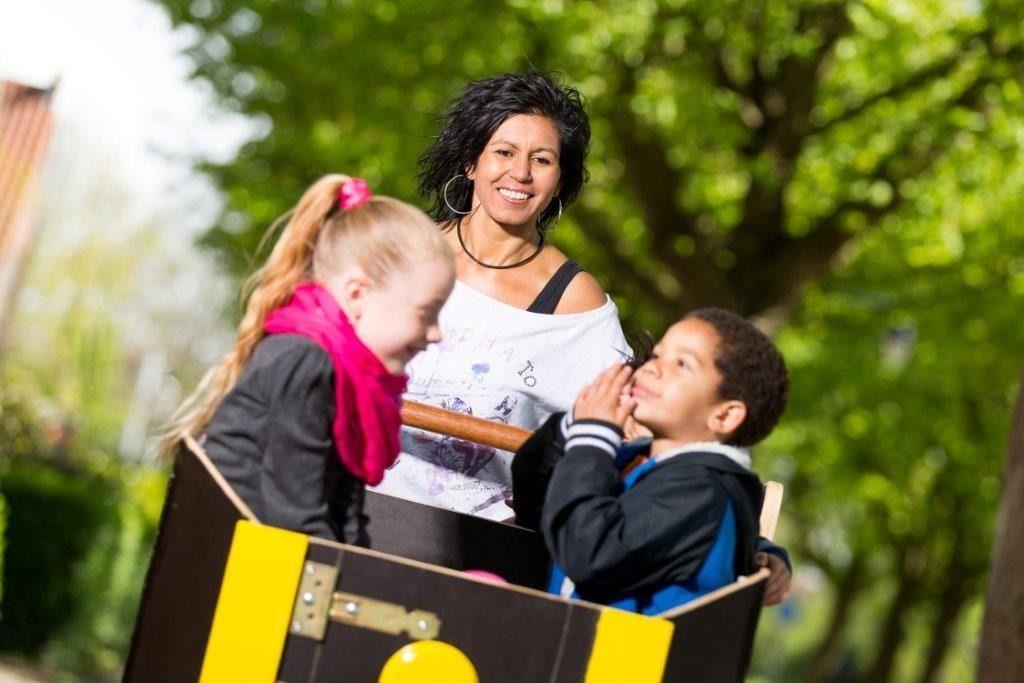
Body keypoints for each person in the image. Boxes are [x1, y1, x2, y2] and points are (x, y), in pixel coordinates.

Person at [369, 71, 630, 520]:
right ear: (471, 162)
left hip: (476, 551)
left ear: (559, 179)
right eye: (504, 152)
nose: (521, 173)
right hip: (353, 505)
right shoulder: (401, 252)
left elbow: (628, 436)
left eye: (543, 160)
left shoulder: (574, 301)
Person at [162, 175, 456, 544]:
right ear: (357, 295)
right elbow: (294, 517)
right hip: (227, 562)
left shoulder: (348, 376)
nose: (435, 333)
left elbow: (342, 508)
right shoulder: (305, 361)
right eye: (427, 313)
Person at [512, 308, 791, 613]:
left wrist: (591, 442)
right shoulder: (639, 461)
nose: (653, 368)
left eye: (682, 364)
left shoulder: (699, 490)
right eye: (658, 355)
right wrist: (576, 426)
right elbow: (536, 504)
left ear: (724, 416)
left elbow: (590, 553)